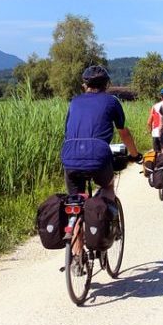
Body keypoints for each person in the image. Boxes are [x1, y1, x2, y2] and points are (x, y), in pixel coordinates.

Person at [61, 65, 141, 251]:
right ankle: (103, 226)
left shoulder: (74, 102)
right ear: (107, 84)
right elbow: (124, 133)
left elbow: (67, 132)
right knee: (107, 185)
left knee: (75, 200)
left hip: (70, 155)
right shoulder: (112, 102)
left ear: (84, 85)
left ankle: (77, 256)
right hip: (98, 155)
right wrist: (135, 155)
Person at [147, 88, 163, 152]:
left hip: (156, 133)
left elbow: (149, 122)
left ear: (161, 97)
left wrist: (150, 131)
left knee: (157, 153)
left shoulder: (155, 106)